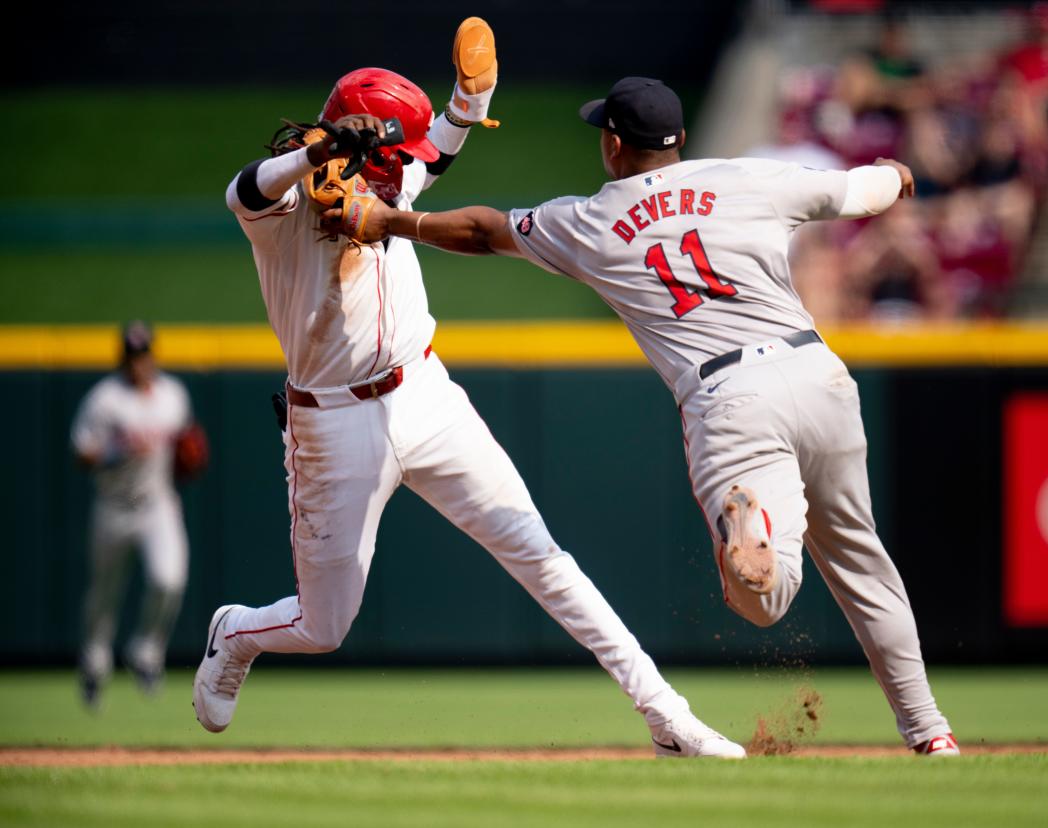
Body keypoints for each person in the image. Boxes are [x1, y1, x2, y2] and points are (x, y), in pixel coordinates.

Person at [326, 76, 960, 756]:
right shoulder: (747, 177)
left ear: (612, 144)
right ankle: (930, 734)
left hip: (731, 397)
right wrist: (894, 177)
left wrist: (386, 221)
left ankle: (758, 535)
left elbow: (483, 230)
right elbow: (860, 191)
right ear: (680, 140)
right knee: (863, 562)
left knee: (765, 598)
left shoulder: (592, 221)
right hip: (818, 372)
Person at [200, 22, 743, 759]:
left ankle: (666, 716)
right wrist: (320, 150)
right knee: (323, 628)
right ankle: (236, 633)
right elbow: (241, 190)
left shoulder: (394, 179)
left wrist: (468, 97)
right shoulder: (287, 209)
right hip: (331, 426)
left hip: (424, 394)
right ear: (357, 143)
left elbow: (439, 150)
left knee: (541, 552)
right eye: (398, 156)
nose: (410, 170)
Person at [72, 321, 198, 708]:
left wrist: (188, 456)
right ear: (122, 359)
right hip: (113, 507)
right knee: (104, 593)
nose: (138, 363)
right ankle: (94, 663)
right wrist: (112, 452)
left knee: (169, 580)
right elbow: (81, 451)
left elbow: (186, 444)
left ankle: (146, 651)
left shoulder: (173, 395)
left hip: (158, 504)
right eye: (132, 356)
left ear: (152, 356)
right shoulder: (105, 400)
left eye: (143, 355)